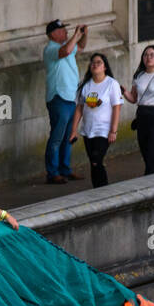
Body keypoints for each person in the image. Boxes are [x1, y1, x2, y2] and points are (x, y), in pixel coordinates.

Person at [42, 19, 87, 184]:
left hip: (71, 97)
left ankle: (65, 169)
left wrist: (83, 35)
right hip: (58, 98)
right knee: (57, 137)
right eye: (62, 30)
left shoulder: (66, 46)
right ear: (53, 34)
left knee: (69, 136)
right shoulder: (51, 49)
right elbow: (66, 51)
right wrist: (76, 35)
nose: (66, 33)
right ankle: (52, 172)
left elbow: (80, 47)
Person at [69, 53, 122, 188]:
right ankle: (97, 190)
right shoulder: (85, 85)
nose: (95, 64)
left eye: (99, 62)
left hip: (103, 130)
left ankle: (103, 189)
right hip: (88, 130)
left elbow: (116, 108)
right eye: (93, 62)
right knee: (93, 161)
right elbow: (79, 108)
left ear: (105, 67)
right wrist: (73, 130)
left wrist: (113, 131)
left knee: (96, 160)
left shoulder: (111, 84)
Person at [121, 45, 154, 175]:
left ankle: (151, 185)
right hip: (142, 116)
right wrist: (124, 92)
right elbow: (134, 98)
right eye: (145, 55)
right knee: (147, 156)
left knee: (153, 155)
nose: (148, 57)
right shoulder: (138, 76)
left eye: (152, 55)